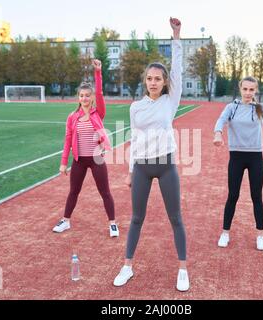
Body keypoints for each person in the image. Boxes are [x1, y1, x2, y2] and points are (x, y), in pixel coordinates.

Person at [113, 17, 189, 292]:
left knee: (175, 218)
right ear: (145, 81)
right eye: (149, 78)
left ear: (164, 81)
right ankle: (127, 266)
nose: (153, 82)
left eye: (158, 78)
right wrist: (131, 171)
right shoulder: (135, 107)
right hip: (143, 168)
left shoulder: (171, 101)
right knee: (136, 218)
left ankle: (182, 269)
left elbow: (178, 70)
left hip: (166, 166)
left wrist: (176, 37)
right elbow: (134, 138)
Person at [52, 59, 119, 238]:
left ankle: (112, 223)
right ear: (78, 98)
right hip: (79, 161)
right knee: (74, 191)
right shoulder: (72, 117)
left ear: (91, 98)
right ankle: (65, 220)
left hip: (96, 159)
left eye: (87, 95)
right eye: (81, 95)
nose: (84, 98)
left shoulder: (99, 113)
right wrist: (63, 163)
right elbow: (67, 140)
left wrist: (98, 72)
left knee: (105, 192)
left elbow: (100, 92)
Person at [213, 77, 263, 251]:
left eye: (252, 90)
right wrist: (218, 133)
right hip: (236, 157)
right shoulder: (231, 107)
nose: (248, 93)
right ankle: (225, 233)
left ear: (255, 91)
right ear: (240, 89)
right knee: (233, 196)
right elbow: (221, 120)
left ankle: (260, 235)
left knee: (256, 196)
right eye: (245, 89)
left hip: (255, 157)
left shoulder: (258, 109)